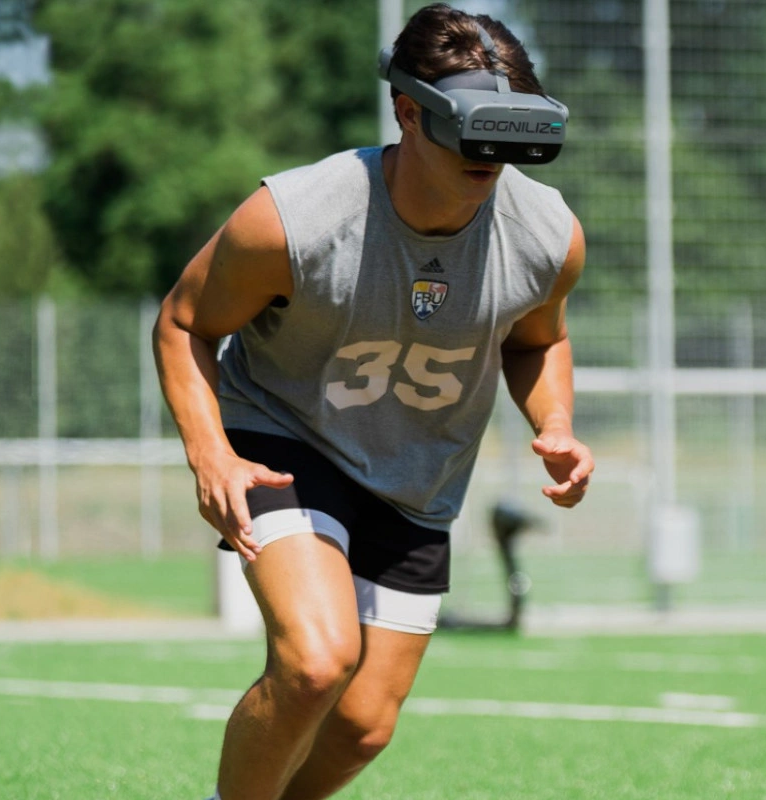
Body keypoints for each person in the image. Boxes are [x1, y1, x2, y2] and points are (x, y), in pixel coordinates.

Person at [152, 5, 592, 799]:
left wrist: (555, 424)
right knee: (317, 662)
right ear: (409, 112)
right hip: (285, 436)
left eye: (511, 134)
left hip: (418, 476)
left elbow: (538, 340)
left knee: (362, 727)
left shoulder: (547, 235)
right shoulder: (296, 219)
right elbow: (184, 322)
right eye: (473, 131)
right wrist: (209, 454)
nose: (491, 157)